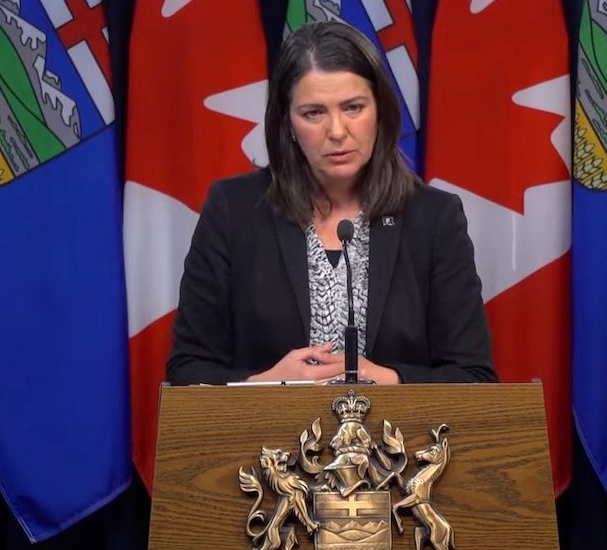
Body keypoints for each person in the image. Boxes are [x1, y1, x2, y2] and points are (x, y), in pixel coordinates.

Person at [167, 21, 497, 386]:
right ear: (288, 124)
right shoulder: (234, 211)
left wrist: (387, 379)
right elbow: (188, 370)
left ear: (380, 112)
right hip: (268, 440)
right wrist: (266, 384)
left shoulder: (433, 218)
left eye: (353, 107)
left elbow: (474, 376)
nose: (337, 131)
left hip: (398, 441)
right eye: (313, 113)